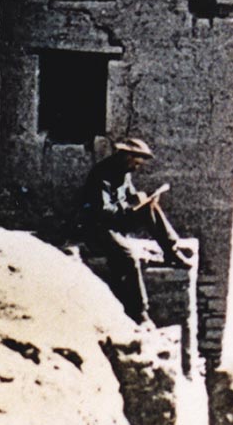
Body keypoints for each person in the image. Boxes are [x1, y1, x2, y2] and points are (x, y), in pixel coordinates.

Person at [79, 138, 195, 324]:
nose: (139, 165)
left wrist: (140, 199)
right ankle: (140, 311)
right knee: (128, 257)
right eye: (137, 159)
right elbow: (101, 210)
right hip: (99, 227)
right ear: (125, 156)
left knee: (150, 208)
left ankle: (171, 250)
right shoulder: (102, 175)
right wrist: (128, 208)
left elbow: (130, 195)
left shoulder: (124, 173)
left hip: (117, 220)